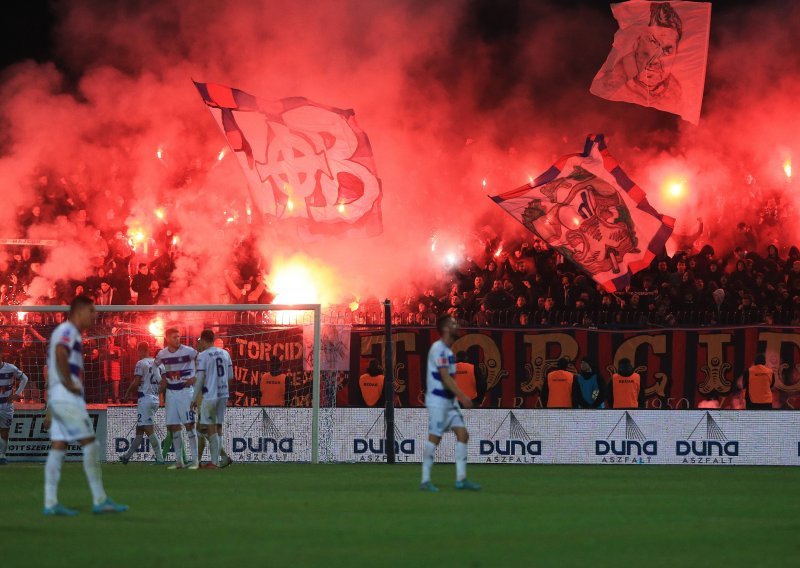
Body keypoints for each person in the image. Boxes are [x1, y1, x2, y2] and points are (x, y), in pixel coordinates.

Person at [43, 295, 128, 515]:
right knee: (90, 443)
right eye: (91, 311)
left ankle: (51, 503)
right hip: (67, 398)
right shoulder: (68, 331)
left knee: (59, 446)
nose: (94, 315)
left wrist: (51, 407)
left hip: (59, 397)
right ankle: (100, 500)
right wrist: (70, 383)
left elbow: (54, 366)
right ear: (79, 311)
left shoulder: (70, 332)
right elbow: (61, 352)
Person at [420, 315, 480, 492]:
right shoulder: (438, 349)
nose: (457, 325)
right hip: (438, 400)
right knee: (435, 437)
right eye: (453, 324)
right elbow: (445, 377)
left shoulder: (448, 350)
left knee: (463, 435)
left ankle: (461, 480)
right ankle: (425, 480)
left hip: (449, 401)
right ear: (446, 329)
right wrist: (463, 397)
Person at [155, 327, 200, 469]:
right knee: (174, 426)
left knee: (189, 425)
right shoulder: (162, 354)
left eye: (179, 336)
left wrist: (196, 377)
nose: (177, 339)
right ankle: (179, 461)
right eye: (174, 337)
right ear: (167, 338)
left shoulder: (188, 351)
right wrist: (161, 379)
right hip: (171, 393)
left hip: (186, 392)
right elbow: (153, 366)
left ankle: (195, 461)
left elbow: (202, 360)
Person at [119, 342, 164, 465]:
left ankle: (160, 458)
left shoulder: (141, 363)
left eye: (138, 352)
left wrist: (127, 393)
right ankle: (127, 456)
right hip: (155, 399)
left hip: (145, 399)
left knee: (149, 429)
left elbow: (136, 381)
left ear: (141, 350)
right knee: (140, 429)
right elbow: (163, 381)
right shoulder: (159, 364)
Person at [193, 329, 233, 468]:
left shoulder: (203, 356)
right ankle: (221, 459)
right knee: (218, 427)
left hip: (209, 395)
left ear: (203, 340)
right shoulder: (225, 353)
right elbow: (230, 377)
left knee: (208, 428)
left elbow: (199, 379)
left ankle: (214, 462)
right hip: (223, 393)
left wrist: (193, 398)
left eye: (200, 342)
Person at [0, 351, 29, 464]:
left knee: (4, 431)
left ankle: (2, 455)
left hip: (6, 406)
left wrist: (18, 393)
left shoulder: (10, 368)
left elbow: (25, 378)